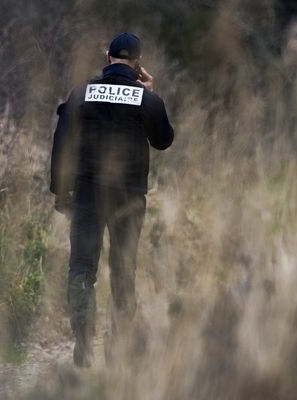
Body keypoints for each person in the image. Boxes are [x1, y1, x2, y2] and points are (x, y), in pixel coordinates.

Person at [50, 32, 174, 367]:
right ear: (138, 63)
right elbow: (163, 140)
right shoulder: (146, 100)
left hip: (87, 195)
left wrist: (60, 192)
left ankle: (83, 343)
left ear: (108, 59)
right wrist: (151, 93)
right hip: (129, 197)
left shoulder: (81, 94)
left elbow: (61, 144)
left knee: (81, 269)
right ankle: (118, 348)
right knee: (123, 272)